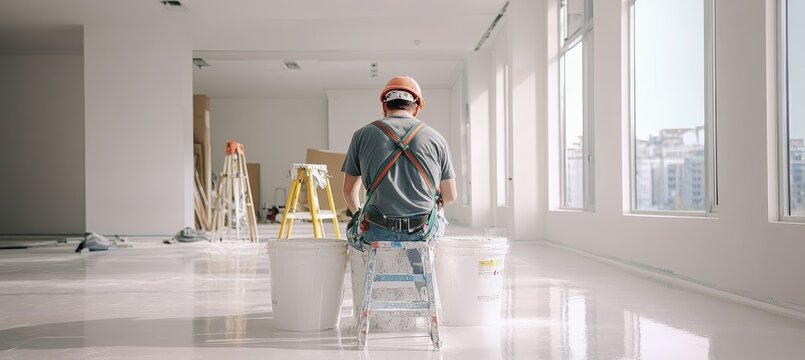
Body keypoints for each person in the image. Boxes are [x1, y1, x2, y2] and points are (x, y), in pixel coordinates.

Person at [341, 75, 457, 253]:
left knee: (353, 227)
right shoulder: (437, 138)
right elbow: (450, 196)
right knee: (438, 214)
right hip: (422, 233)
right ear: (417, 108)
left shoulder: (361, 135)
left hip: (376, 232)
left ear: (384, 106)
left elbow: (349, 192)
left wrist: (360, 215)